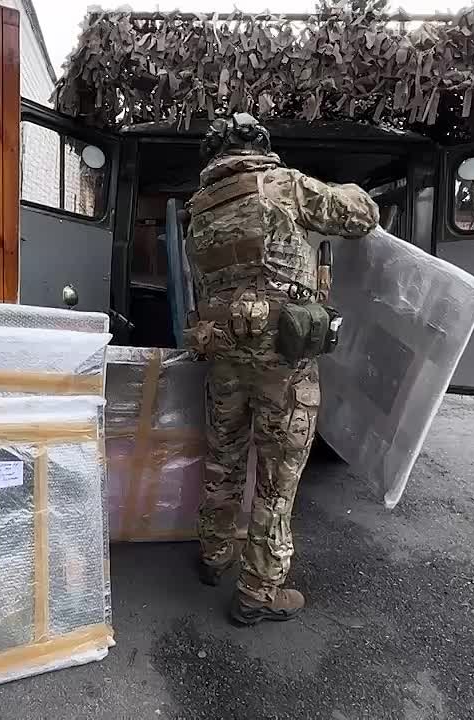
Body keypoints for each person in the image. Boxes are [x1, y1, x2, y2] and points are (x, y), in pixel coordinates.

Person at [184, 114, 379, 625]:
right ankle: (259, 591)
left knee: (223, 462)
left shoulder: (198, 210)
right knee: (277, 479)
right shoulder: (283, 185)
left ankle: (214, 556)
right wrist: (348, 185)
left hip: (223, 355)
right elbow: (362, 214)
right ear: (259, 145)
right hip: (282, 360)